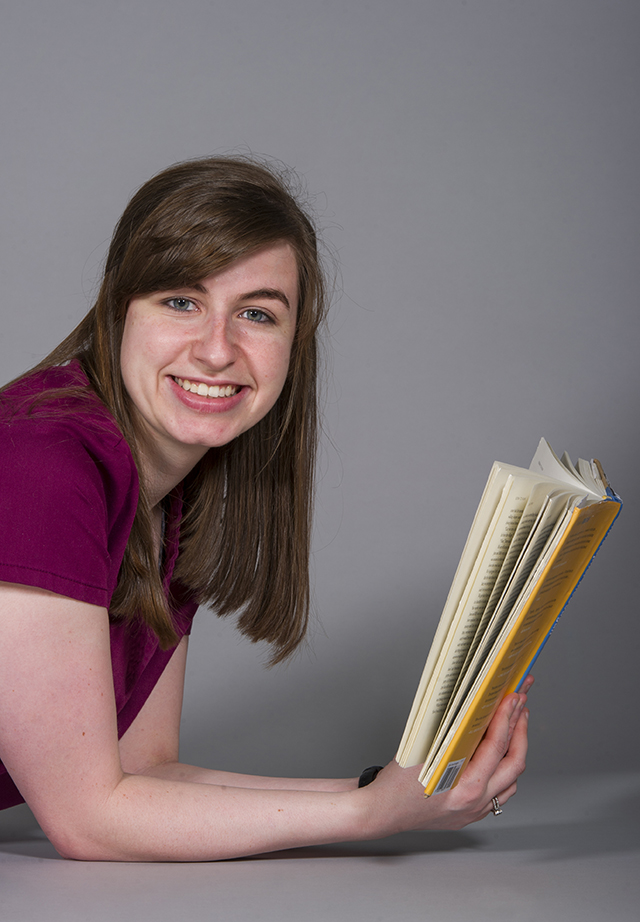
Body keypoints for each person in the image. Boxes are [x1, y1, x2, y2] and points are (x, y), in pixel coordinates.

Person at [0, 156, 531, 861]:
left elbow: (143, 771)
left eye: (256, 314)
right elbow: (87, 818)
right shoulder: (42, 463)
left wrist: (390, 794)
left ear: (292, 347)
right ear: (116, 308)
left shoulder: (164, 494)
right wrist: (369, 817)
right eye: (180, 301)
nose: (217, 350)